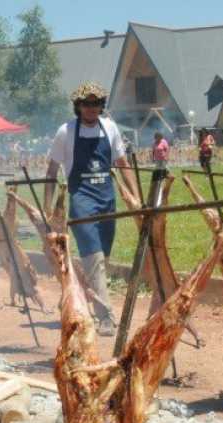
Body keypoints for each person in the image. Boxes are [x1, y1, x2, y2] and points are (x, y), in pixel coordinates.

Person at [44, 81, 139, 336]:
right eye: (87, 104)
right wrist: (47, 205)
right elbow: (52, 170)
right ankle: (105, 317)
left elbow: (122, 163)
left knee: (100, 260)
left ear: (101, 106)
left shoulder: (110, 128)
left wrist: (135, 197)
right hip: (81, 200)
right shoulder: (66, 131)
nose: (92, 108)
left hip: (107, 200)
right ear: (78, 106)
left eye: (96, 104)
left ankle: (74, 294)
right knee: (95, 259)